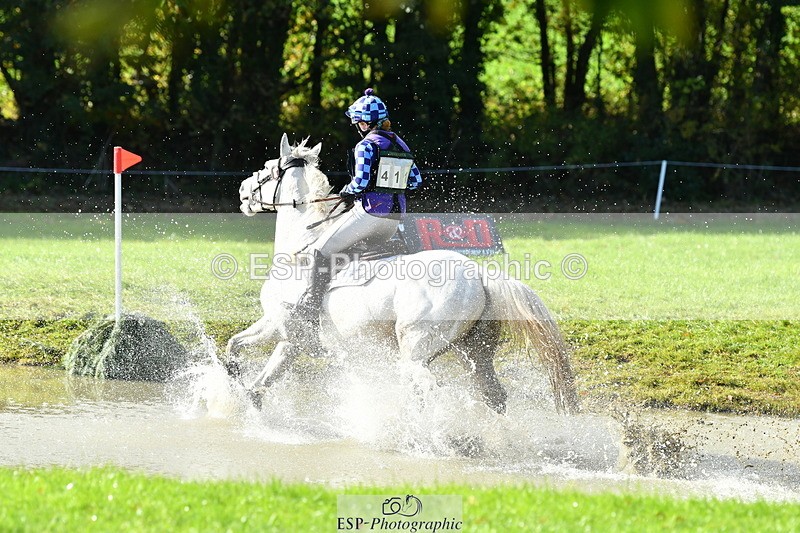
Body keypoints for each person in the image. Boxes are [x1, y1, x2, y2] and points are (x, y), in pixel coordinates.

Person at [289, 88, 423, 325]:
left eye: (358, 122)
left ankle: (309, 307)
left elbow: (360, 182)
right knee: (350, 250)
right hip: (393, 221)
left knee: (319, 250)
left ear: (365, 123)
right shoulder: (401, 145)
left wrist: (346, 191)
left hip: (370, 214)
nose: (357, 126)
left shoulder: (366, 145)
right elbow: (415, 181)